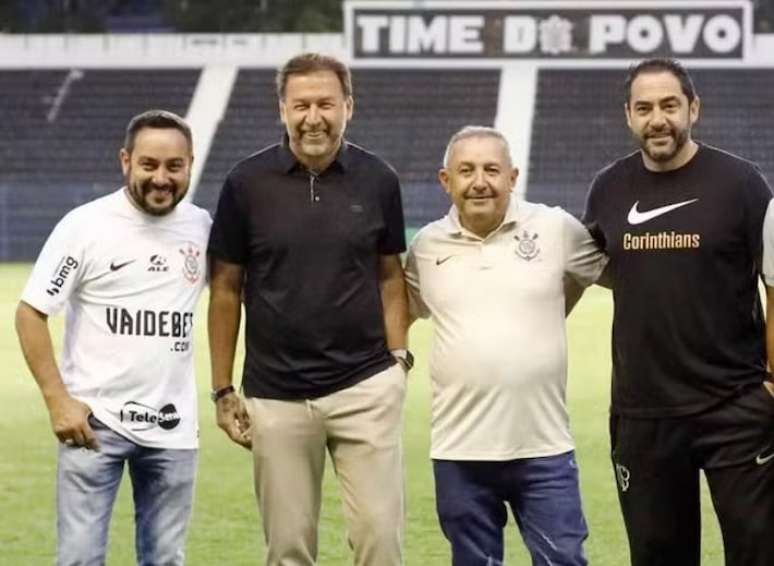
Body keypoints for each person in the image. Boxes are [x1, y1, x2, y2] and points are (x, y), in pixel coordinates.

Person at [207, 52, 409, 566]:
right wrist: (223, 388)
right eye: (301, 105)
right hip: (277, 397)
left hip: (365, 388)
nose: (313, 116)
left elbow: (390, 275)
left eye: (325, 103)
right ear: (282, 110)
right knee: (288, 549)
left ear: (348, 107)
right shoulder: (245, 183)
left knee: (380, 542)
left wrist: (398, 361)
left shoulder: (379, 179)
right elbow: (226, 288)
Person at [583, 58, 774, 566]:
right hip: (644, 413)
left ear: (694, 108)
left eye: (669, 105)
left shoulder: (741, 183)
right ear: (628, 115)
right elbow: (599, 266)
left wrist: (773, 384)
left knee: (759, 552)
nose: (657, 119)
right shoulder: (608, 188)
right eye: (644, 108)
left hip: (735, 407)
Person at [15, 109, 211, 565]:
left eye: (173, 166)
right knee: (80, 559)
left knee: (165, 560)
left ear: (190, 164)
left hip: (172, 430)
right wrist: (57, 400)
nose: (161, 178)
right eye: (148, 165)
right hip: (94, 425)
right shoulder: (85, 225)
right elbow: (31, 313)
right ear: (125, 161)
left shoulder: (202, 228)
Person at [404, 126, 607, 566]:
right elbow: (395, 316)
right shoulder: (425, 248)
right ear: (446, 180)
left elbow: (622, 277)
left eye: (492, 169)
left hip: (544, 449)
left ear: (513, 177)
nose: (480, 181)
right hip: (459, 451)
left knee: (565, 561)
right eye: (467, 171)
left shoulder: (555, 229)